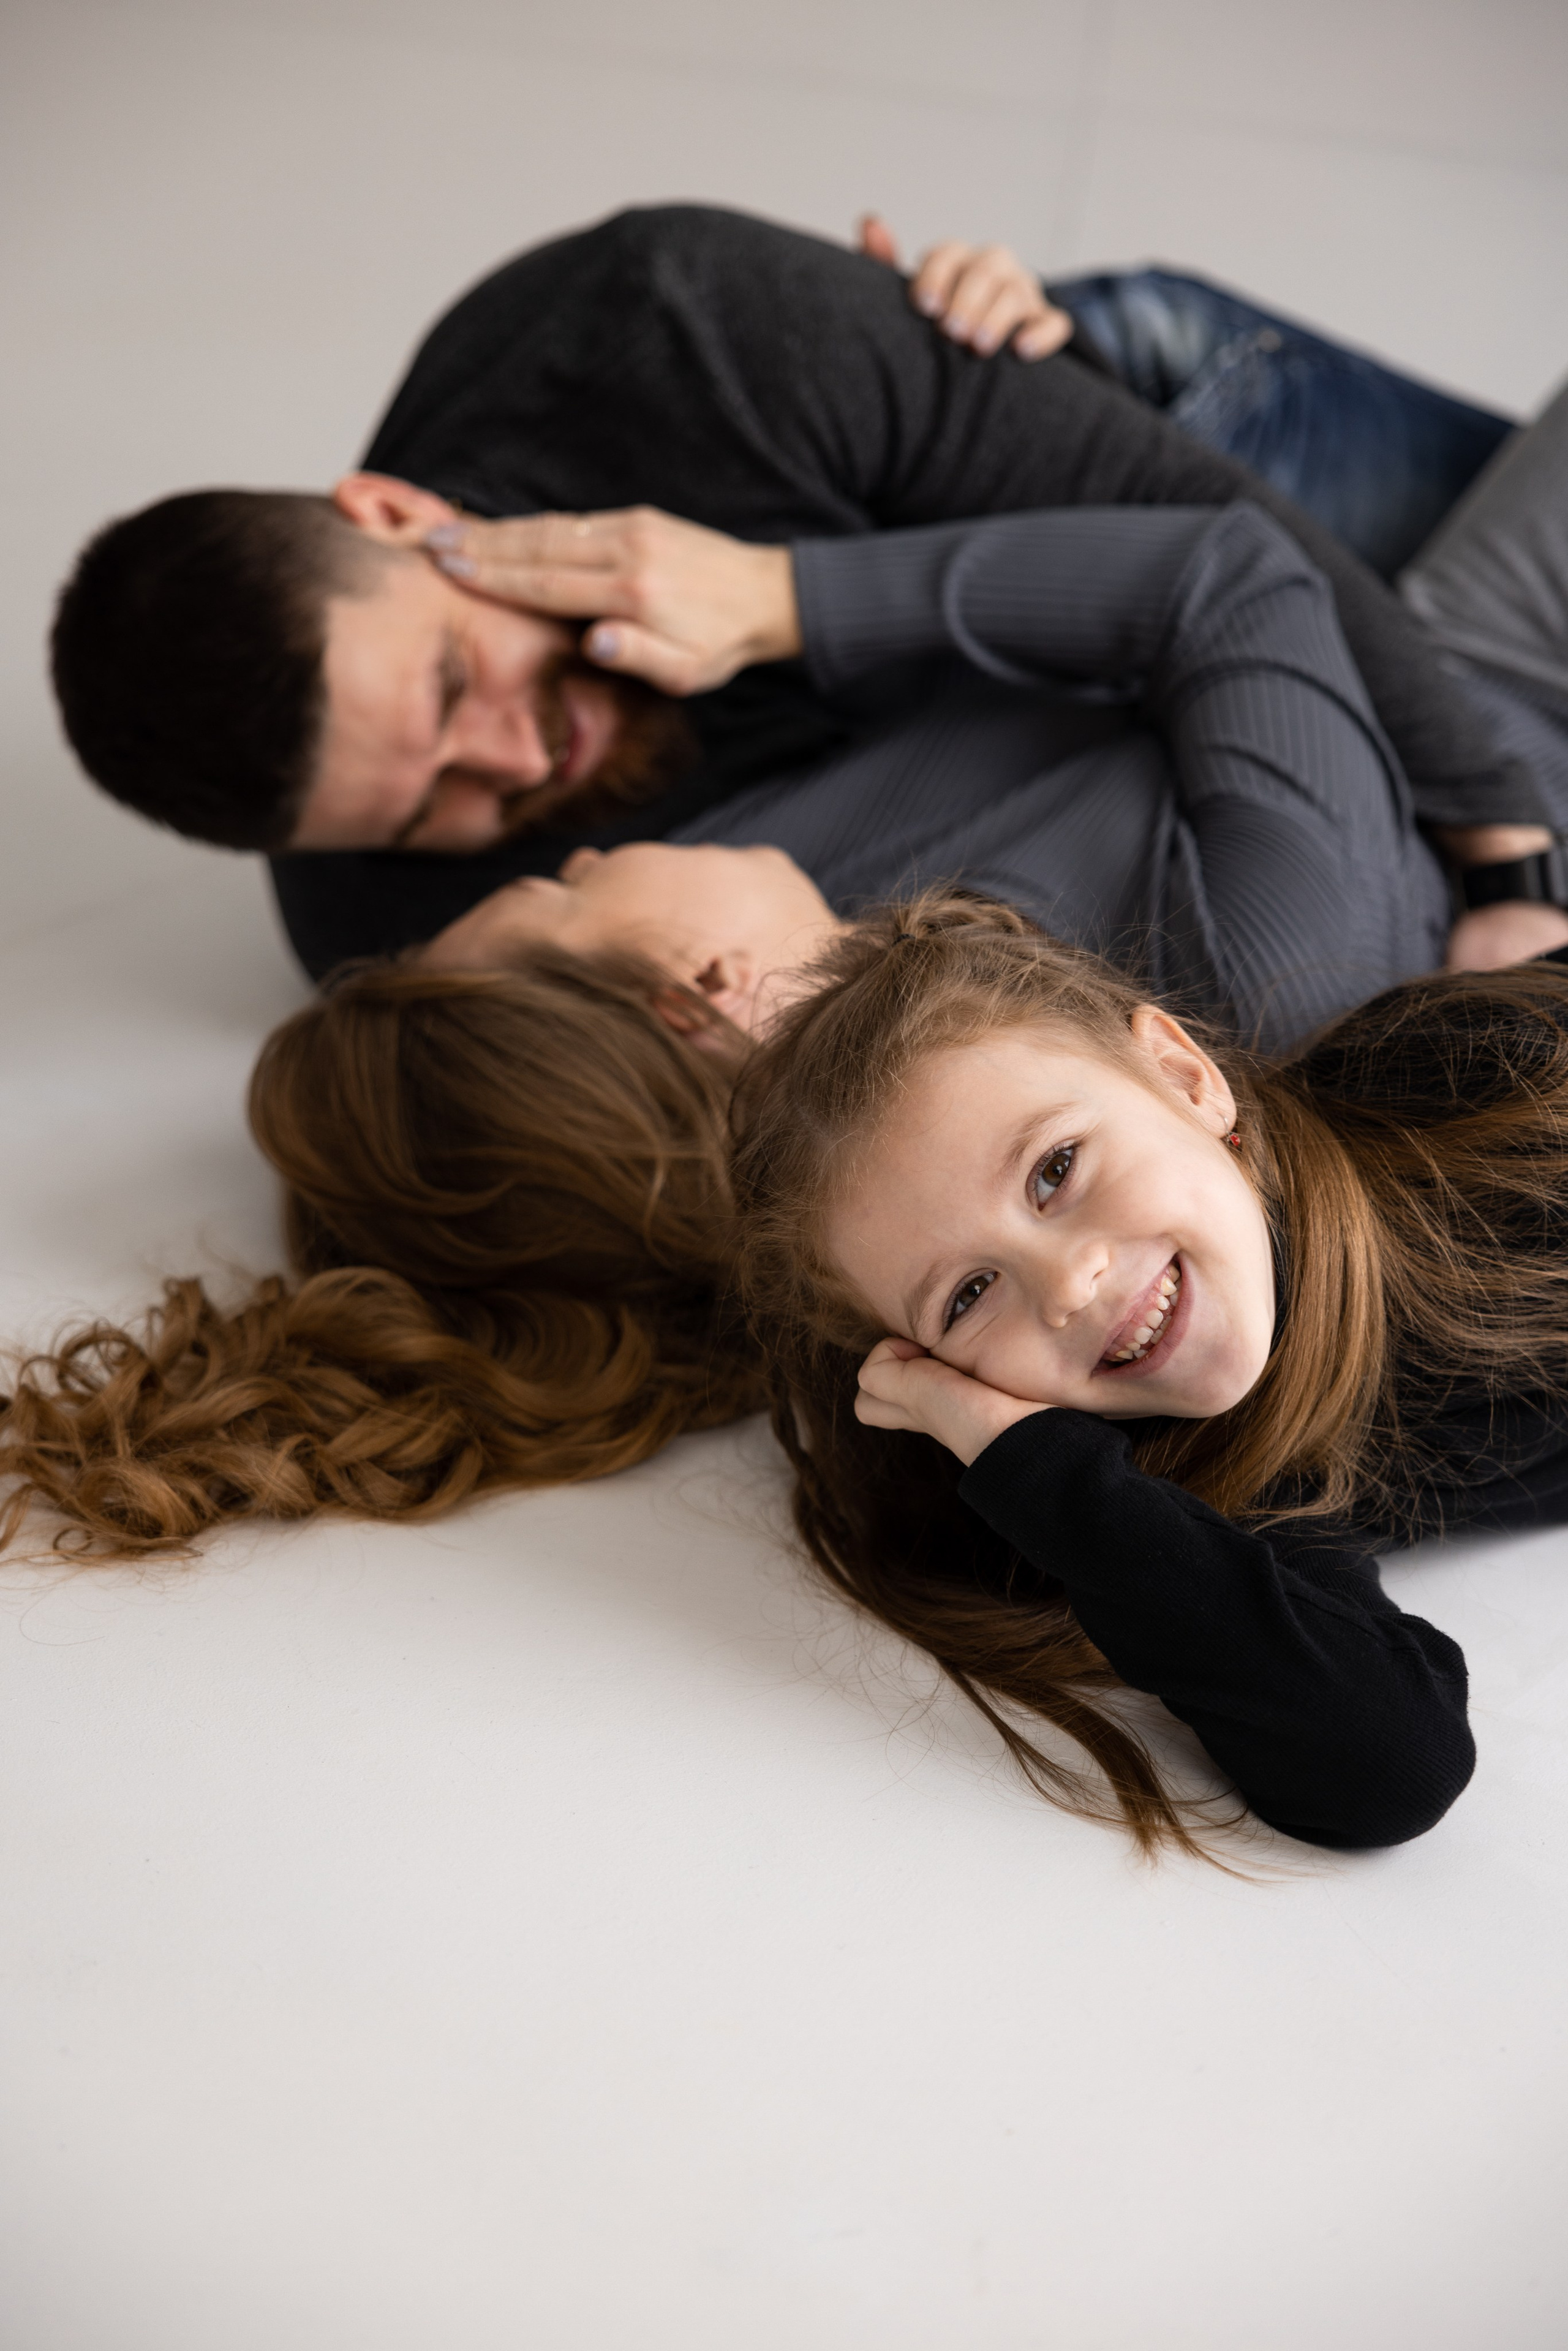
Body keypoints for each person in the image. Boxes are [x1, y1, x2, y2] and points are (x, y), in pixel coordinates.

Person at [45, 205, 1554, 983]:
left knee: (1485, 732)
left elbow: (1218, 554)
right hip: (1117, 693)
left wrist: (1503, 872)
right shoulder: (394, 917)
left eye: (453, 685)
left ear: (397, 516)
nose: (512, 764)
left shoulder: (665, 327)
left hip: (1167, 450)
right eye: (422, 799)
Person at [726, 893, 1568, 1857]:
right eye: (967, 1296)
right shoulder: (1207, 1469)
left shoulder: (1481, 1077)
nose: (1068, 1286)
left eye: (1056, 1170)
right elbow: (1390, 1762)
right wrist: (1019, 1456)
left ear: (1184, 1077)